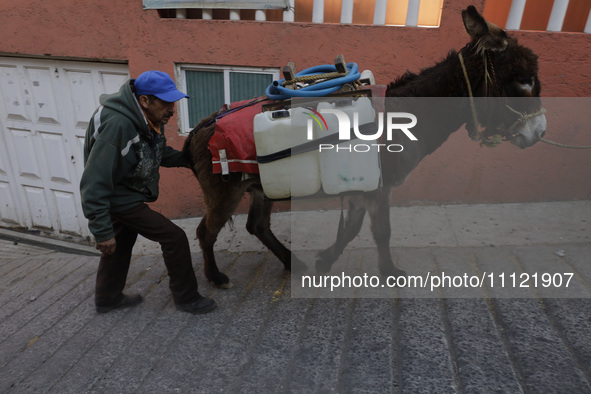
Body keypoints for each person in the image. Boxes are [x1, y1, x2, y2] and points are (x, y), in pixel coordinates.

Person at [80, 70, 216, 314]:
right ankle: (187, 298)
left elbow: (155, 151)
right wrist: (101, 230)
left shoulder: (148, 119)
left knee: (121, 242)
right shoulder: (119, 126)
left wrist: (190, 159)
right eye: (166, 102)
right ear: (145, 100)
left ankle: (107, 297)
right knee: (173, 237)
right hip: (119, 196)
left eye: (173, 101)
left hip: (126, 189)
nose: (172, 109)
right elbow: (94, 181)